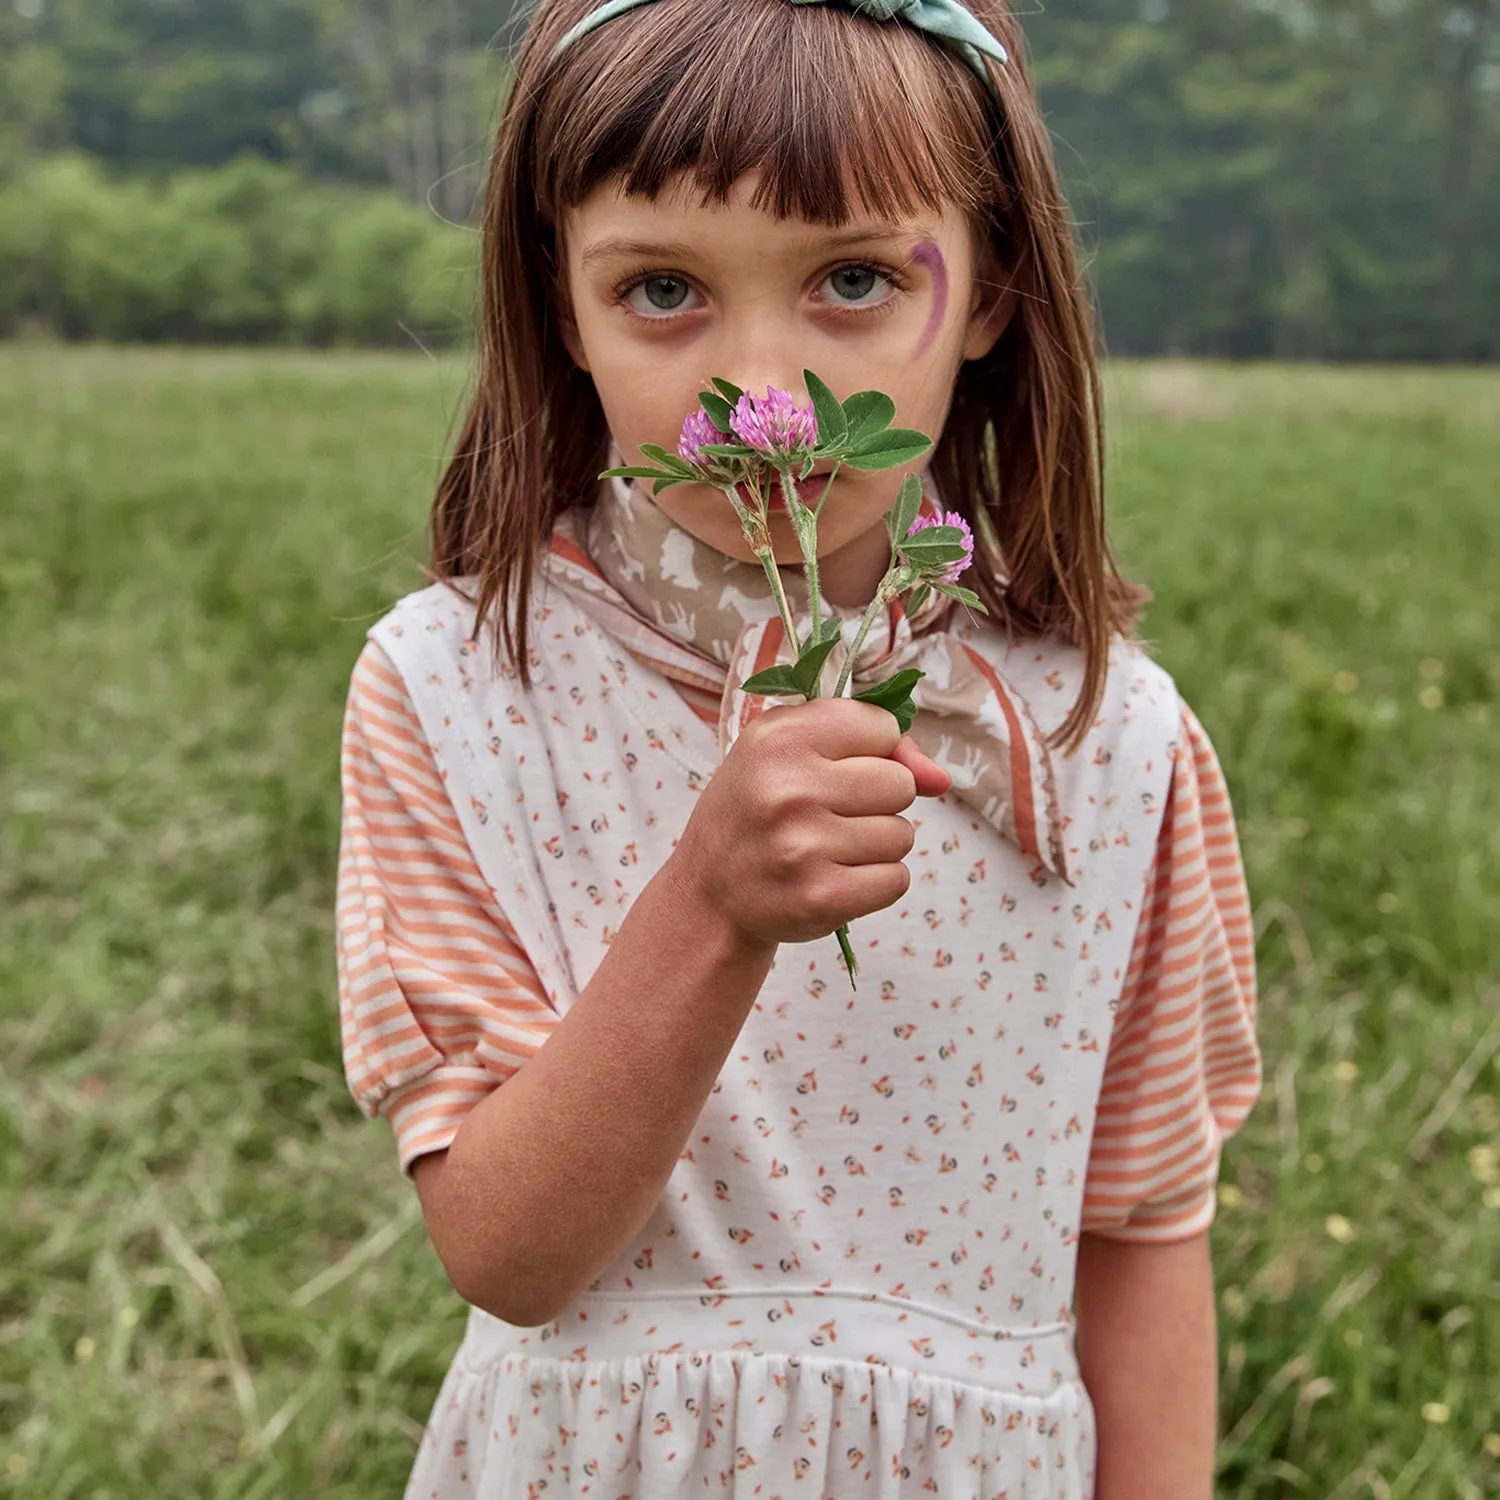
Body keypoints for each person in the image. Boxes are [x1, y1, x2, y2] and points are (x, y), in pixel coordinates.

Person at [334, 0, 1263, 1494]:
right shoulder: (455, 688)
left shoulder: (1112, 736)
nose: (760, 390)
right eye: (660, 291)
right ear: (557, 304)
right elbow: (506, 1254)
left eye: (850, 279)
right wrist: (709, 904)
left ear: (989, 293)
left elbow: (1145, 1228)